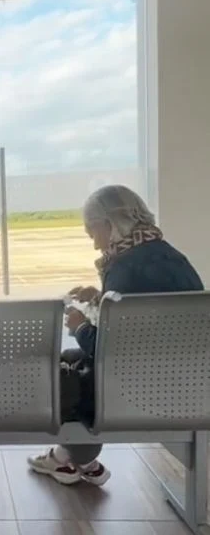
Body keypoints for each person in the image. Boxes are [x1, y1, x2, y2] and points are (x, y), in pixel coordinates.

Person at [28, 184, 202, 487]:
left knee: (64, 372)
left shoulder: (123, 268)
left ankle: (73, 458)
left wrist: (80, 326)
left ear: (109, 225)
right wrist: (101, 299)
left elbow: (112, 353)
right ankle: (71, 458)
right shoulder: (173, 258)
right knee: (74, 361)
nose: (95, 245)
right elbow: (152, 325)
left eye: (92, 232)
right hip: (188, 387)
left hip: (133, 393)